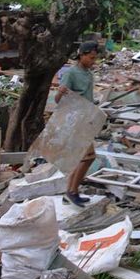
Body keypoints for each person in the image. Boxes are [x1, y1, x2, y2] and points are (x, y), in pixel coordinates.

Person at [55, 41, 99, 205]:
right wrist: (60, 93)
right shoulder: (71, 73)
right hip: (75, 120)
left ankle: (72, 191)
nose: (93, 61)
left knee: (84, 157)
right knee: (88, 157)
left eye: (95, 58)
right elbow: (58, 100)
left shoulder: (89, 74)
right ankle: (72, 191)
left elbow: (89, 98)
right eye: (91, 58)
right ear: (82, 55)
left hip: (86, 118)